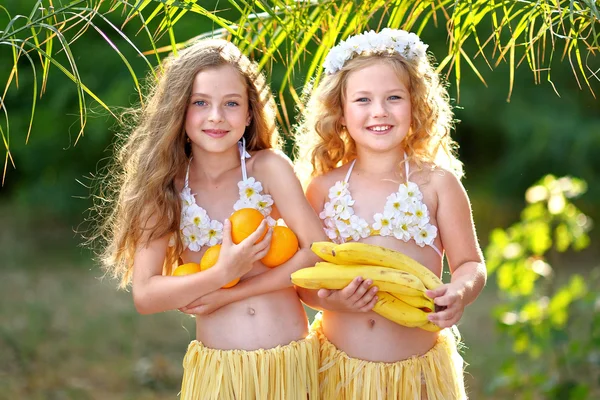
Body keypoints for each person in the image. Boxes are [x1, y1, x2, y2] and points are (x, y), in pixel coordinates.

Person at [92, 39, 325, 400]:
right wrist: (220, 275)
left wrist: (236, 289)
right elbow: (145, 294)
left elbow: (317, 251)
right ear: (178, 112)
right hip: (220, 373)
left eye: (231, 103)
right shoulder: (166, 187)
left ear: (249, 114)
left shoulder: (269, 169)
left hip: (289, 365)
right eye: (200, 103)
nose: (216, 116)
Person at [294, 28, 488, 399]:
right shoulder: (321, 188)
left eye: (394, 98)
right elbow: (303, 279)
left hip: (417, 372)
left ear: (416, 105)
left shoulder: (437, 184)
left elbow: (470, 262)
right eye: (363, 100)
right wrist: (331, 300)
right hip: (337, 370)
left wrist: (460, 292)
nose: (379, 111)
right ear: (341, 112)